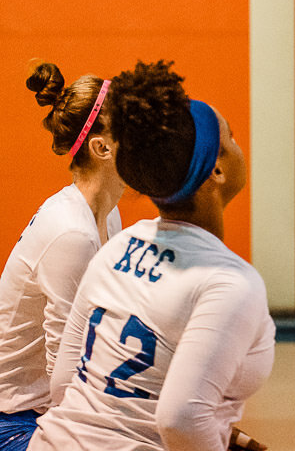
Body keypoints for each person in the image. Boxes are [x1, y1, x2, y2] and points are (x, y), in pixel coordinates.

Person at [30, 61, 274, 451]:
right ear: (217, 171)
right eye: (232, 138)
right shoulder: (231, 283)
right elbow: (180, 420)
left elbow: (64, 384)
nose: (239, 144)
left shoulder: (117, 248)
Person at [0, 65, 125, 450]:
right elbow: (65, 382)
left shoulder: (106, 213)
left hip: (42, 411)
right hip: (16, 421)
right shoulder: (73, 232)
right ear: (101, 147)